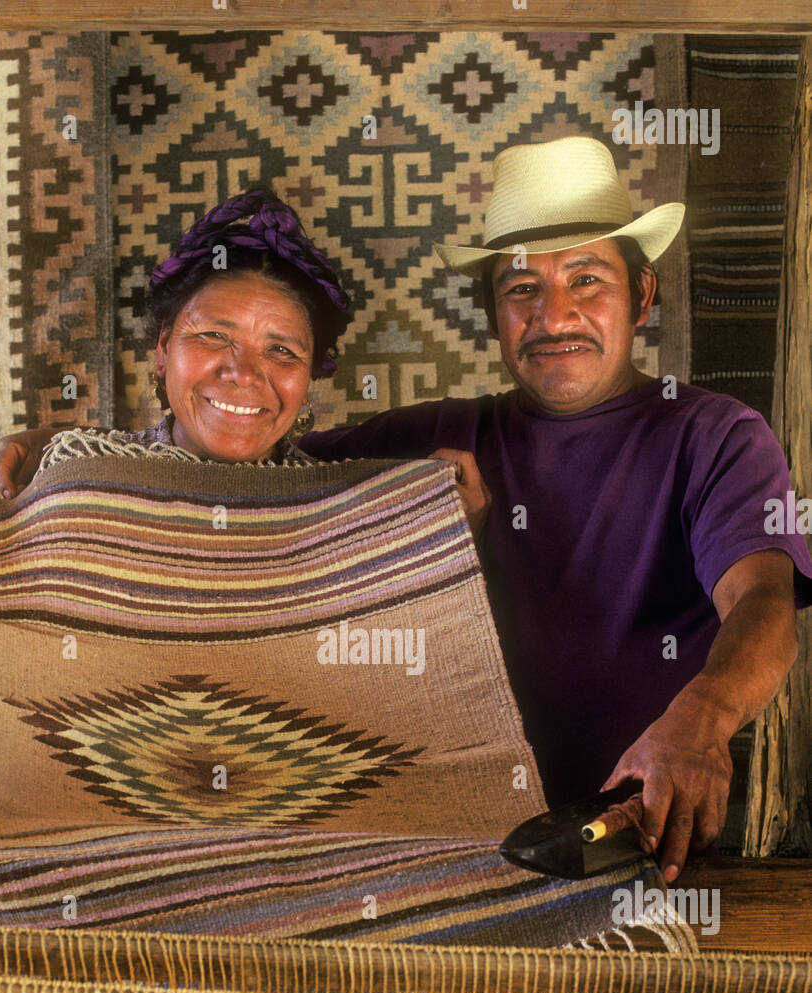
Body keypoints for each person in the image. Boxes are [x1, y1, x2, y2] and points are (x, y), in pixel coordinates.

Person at [300, 137, 812, 883]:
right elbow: (251, 477)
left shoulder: (715, 436)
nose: (554, 315)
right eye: (520, 289)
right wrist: (413, 523)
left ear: (642, 295)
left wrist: (701, 717)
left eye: (586, 278)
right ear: (492, 313)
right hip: (428, 856)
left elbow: (763, 601)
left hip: (626, 847)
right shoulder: (428, 439)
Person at [0, 189, 489, 534]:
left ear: (311, 373)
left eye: (281, 351)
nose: (244, 373)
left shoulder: (346, 512)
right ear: (163, 349)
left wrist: (448, 533)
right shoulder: (80, 475)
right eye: (213, 335)